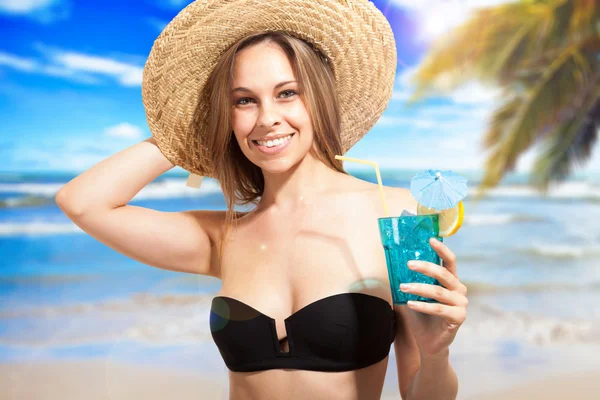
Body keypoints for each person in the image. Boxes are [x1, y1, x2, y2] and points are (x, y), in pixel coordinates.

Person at [55, 0, 468, 399]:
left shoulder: (397, 215)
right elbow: (82, 202)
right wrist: (188, 128)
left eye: (287, 93)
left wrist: (436, 355)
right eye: (244, 100)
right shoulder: (225, 236)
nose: (267, 117)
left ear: (321, 98)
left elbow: (422, 396)